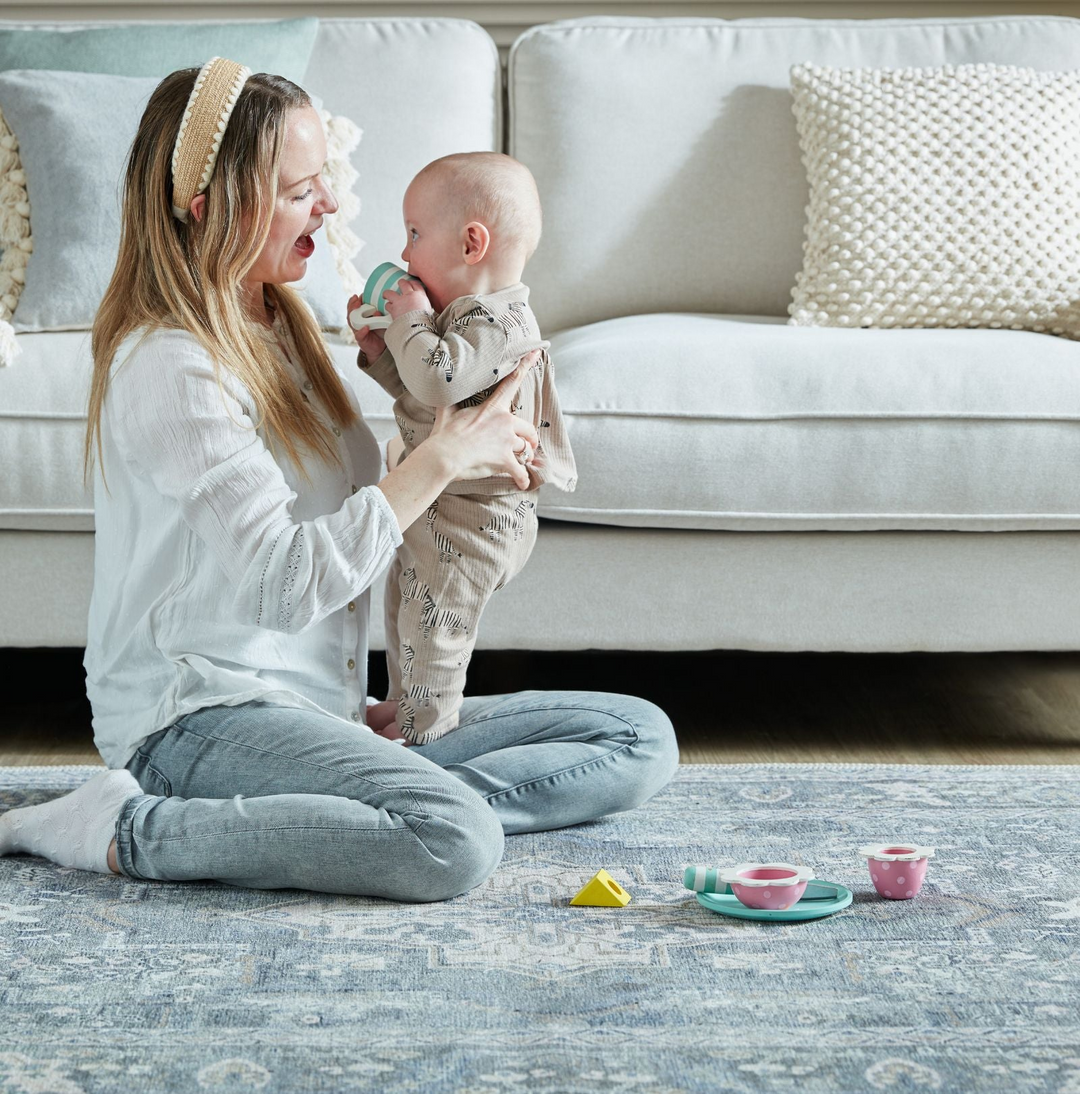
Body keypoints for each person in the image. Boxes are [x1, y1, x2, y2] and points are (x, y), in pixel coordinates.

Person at [0, 58, 679, 902]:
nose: (329, 205)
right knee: (454, 843)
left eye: (326, 181)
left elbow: (351, 523)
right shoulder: (171, 365)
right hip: (192, 719)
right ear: (212, 209)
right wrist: (443, 459)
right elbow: (285, 587)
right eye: (299, 190)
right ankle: (118, 826)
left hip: (311, 706)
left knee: (637, 735)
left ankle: (350, 809)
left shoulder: (281, 324)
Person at [350, 152, 577, 746]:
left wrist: (409, 324)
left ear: (472, 244)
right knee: (404, 608)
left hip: (474, 526)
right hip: (436, 511)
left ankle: (431, 748)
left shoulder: (501, 325)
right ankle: (405, 711)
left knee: (436, 631)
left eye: (415, 234)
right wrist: (382, 349)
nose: (404, 254)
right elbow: (427, 401)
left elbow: (437, 379)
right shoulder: (459, 322)